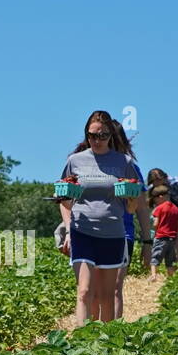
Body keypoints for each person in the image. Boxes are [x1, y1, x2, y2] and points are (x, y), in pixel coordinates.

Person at [57, 111, 139, 325]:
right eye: (92, 135)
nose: (97, 140)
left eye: (102, 135)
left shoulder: (124, 162)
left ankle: (106, 342)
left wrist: (130, 199)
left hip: (112, 232)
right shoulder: (75, 161)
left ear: (111, 135)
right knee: (84, 291)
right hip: (82, 230)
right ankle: (83, 341)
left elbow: (132, 207)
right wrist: (67, 229)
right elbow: (64, 200)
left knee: (106, 296)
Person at [110, 120, 151, 317]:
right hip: (90, 233)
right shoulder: (85, 165)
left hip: (122, 233)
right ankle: (90, 338)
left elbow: (142, 207)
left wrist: (147, 241)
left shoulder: (130, 168)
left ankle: (111, 337)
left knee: (115, 287)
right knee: (90, 290)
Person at [149, 184, 178, 278]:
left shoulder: (159, 208)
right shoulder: (176, 209)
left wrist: (155, 230)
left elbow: (155, 224)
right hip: (172, 239)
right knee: (170, 261)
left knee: (155, 257)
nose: (155, 202)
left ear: (160, 196)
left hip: (161, 237)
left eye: (155, 199)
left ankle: (153, 276)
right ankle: (171, 277)